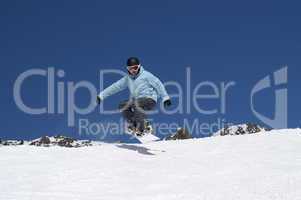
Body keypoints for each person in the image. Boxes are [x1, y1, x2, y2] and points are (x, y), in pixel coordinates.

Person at [97, 57, 171, 135]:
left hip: (149, 99)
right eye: (130, 69)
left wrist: (165, 98)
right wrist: (101, 95)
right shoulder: (127, 78)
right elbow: (115, 87)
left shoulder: (146, 75)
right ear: (127, 69)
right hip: (137, 100)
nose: (133, 71)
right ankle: (134, 124)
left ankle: (142, 127)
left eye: (135, 68)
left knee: (137, 104)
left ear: (139, 66)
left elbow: (158, 84)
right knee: (123, 105)